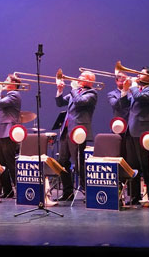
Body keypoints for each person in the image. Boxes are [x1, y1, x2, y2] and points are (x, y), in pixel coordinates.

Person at [55, 71, 98, 201]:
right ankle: (68, 192)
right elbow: (60, 103)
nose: (78, 79)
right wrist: (60, 90)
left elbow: (79, 102)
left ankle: (87, 192)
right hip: (66, 131)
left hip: (78, 132)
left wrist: (74, 89)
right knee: (62, 162)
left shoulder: (92, 93)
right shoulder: (75, 92)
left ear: (90, 80)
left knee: (79, 164)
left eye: (82, 77)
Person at [121, 66, 149, 204]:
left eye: (141, 74)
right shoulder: (137, 89)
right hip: (131, 130)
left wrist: (133, 86)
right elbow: (123, 105)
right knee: (132, 165)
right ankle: (135, 195)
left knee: (145, 165)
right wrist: (125, 90)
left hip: (144, 132)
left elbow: (140, 98)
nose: (137, 74)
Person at [0, 74, 22, 199]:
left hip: (8, 133)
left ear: (14, 83)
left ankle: (20, 189)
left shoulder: (15, 95)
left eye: (7, 80)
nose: (3, 82)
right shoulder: (8, 96)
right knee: (0, 164)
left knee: (10, 163)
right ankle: (8, 191)